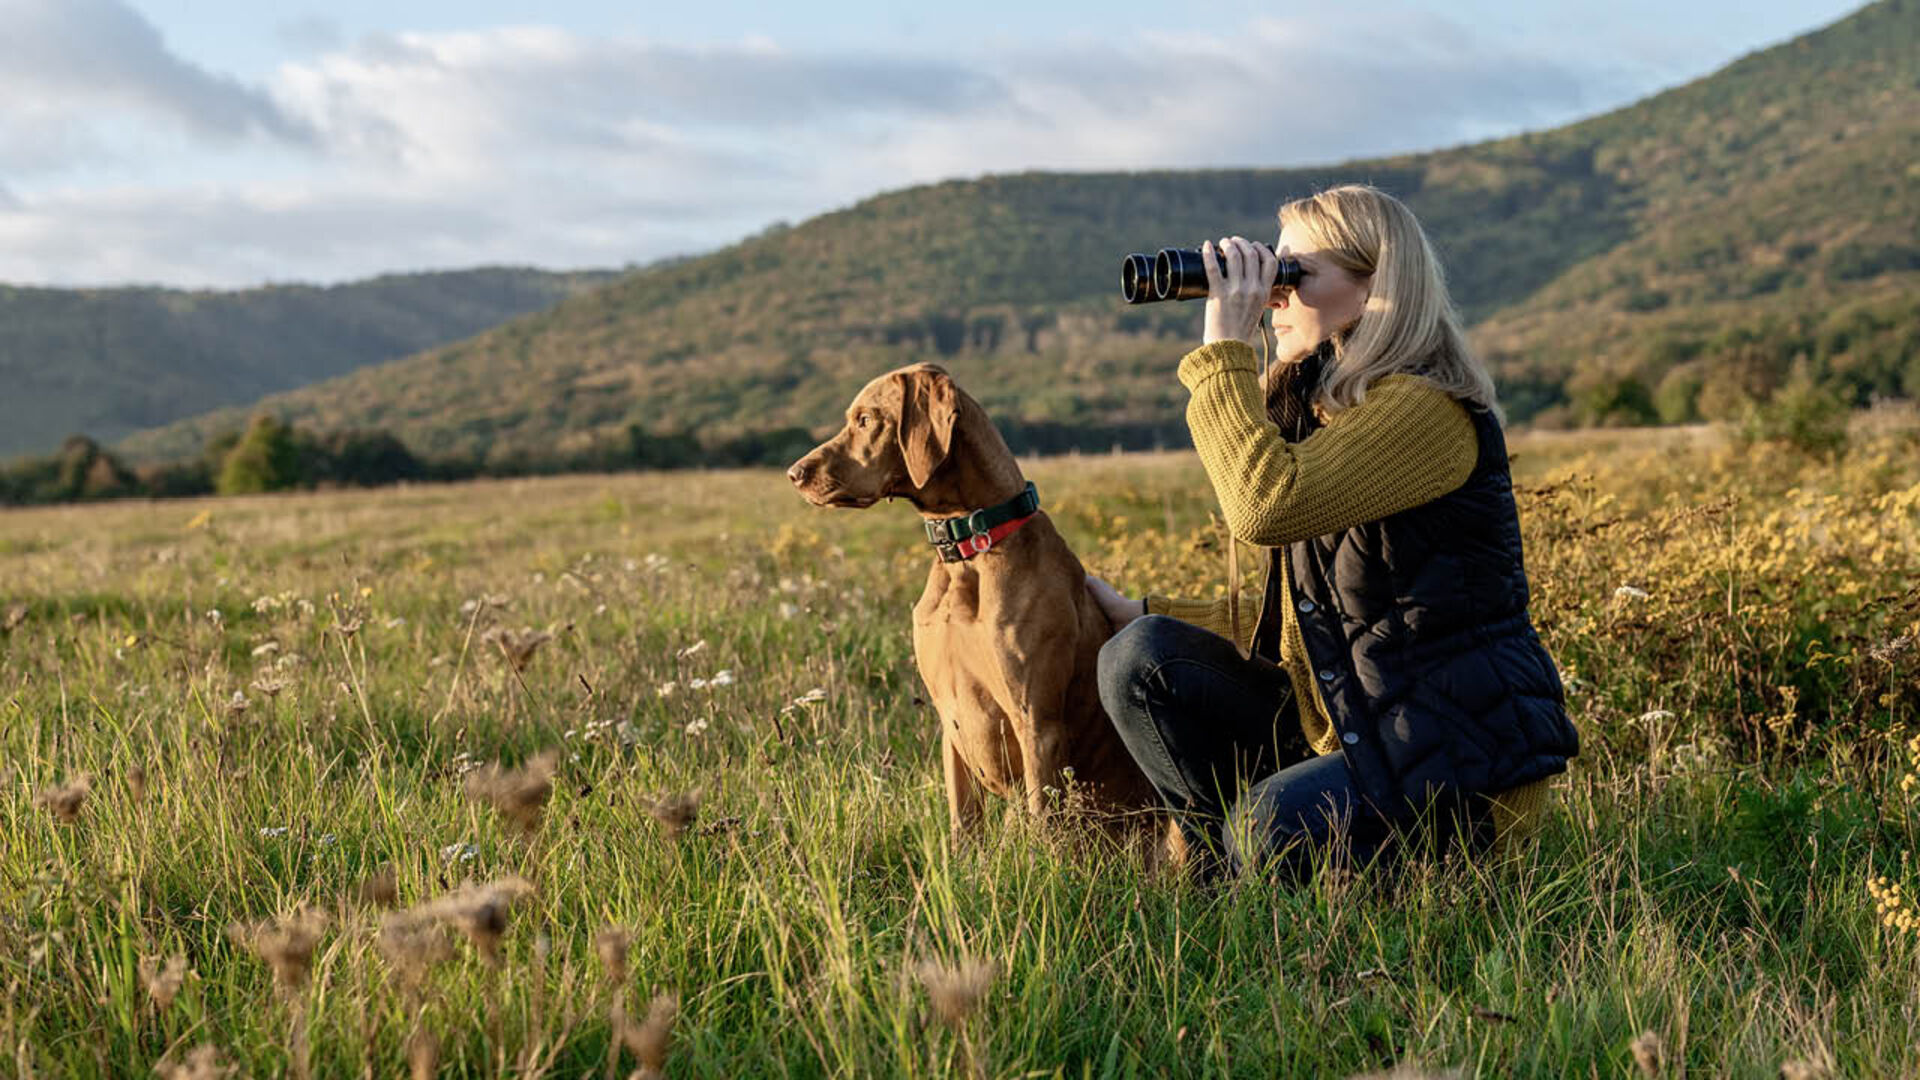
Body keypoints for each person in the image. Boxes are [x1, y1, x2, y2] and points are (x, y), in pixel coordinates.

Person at [1084, 184, 1578, 881]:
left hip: (1454, 768)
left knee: (1267, 825)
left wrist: (1224, 344)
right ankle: (1215, 876)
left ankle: (1251, 870)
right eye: (1271, 277)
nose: (1272, 296)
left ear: (1378, 285)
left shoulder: (1421, 410)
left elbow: (1264, 506)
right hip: (1362, 734)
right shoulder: (1320, 410)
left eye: (1293, 276)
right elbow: (1316, 626)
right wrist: (1142, 613)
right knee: (1141, 657)